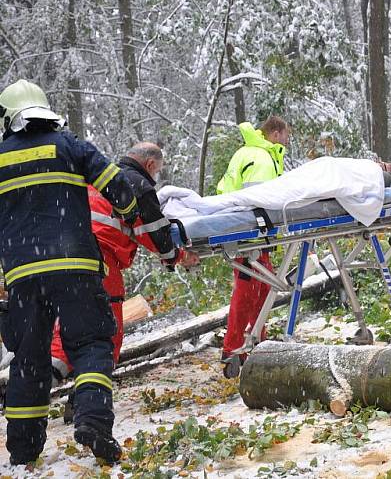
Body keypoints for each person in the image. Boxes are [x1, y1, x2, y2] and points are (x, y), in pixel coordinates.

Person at [0, 79, 138, 464]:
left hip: (23, 277)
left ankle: (24, 449)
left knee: (29, 358)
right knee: (92, 344)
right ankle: (92, 419)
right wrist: (127, 217)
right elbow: (119, 187)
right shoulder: (68, 144)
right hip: (76, 267)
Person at [50, 143, 199, 391]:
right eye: (158, 171)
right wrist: (179, 256)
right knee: (106, 336)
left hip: (64, 256)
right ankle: (87, 401)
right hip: (100, 262)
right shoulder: (137, 186)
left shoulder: (98, 175)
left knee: (66, 329)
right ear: (150, 165)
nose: (156, 176)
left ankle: (31, 394)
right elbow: (155, 235)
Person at [217, 116, 290, 377]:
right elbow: (259, 200)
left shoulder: (248, 152)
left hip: (243, 230)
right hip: (249, 232)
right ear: (276, 133)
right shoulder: (260, 158)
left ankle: (259, 341)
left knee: (261, 289)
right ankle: (234, 347)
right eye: (286, 135)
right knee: (248, 291)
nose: (287, 141)